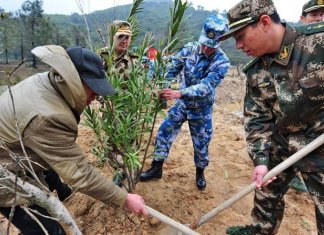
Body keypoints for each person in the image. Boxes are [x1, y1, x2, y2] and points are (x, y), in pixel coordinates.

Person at [0, 45, 148, 235]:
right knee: (51, 231)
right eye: (93, 89)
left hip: (17, 147)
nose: (96, 96)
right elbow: (80, 173)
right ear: (73, 80)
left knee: (51, 170)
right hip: (5, 173)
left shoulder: (48, 81)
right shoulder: (48, 116)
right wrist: (124, 198)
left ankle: (63, 193)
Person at [218, 0, 324, 234]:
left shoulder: (318, 43)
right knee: (266, 192)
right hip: (283, 139)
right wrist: (261, 160)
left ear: (265, 22)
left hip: (320, 142)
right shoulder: (255, 71)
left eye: (241, 36)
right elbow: (257, 119)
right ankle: (261, 229)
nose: (238, 45)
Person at [140, 14, 230, 190]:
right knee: (164, 132)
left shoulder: (222, 62)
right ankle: (156, 168)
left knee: (201, 143)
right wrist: (160, 84)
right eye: (204, 43)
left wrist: (178, 93)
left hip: (201, 110)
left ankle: (200, 172)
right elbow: (171, 69)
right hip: (181, 106)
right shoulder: (189, 50)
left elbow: (205, 87)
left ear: (220, 42)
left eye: (211, 46)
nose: (205, 48)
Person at [289, 0, 324, 194]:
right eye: (314, 15)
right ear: (302, 19)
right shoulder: (290, 47)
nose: (319, 19)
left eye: (322, 15)